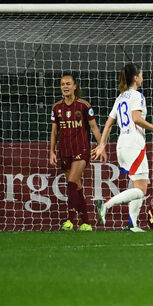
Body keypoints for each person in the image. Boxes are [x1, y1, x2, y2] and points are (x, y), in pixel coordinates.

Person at [92, 63, 153, 232]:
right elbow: (136, 118)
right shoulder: (137, 95)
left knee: (136, 185)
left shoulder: (120, 97)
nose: (142, 77)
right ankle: (106, 204)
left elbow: (109, 123)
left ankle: (132, 224)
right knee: (141, 190)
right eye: (140, 74)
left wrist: (102, 144)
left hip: (122, 144)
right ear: (135, 78)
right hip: (134, 143)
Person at [50, 74, 104, 231]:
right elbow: (54, 132)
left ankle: (70, 220)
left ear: (75, 86)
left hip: (82, 150)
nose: (65, 87)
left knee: (72, 183)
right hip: (65, 150)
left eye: (68, 84)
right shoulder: (56, 108)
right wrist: (51, 152)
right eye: (62, 84)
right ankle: (86, 222)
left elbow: (94, 128)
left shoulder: (84, 105)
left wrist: (101, 146)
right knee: (77, 186)